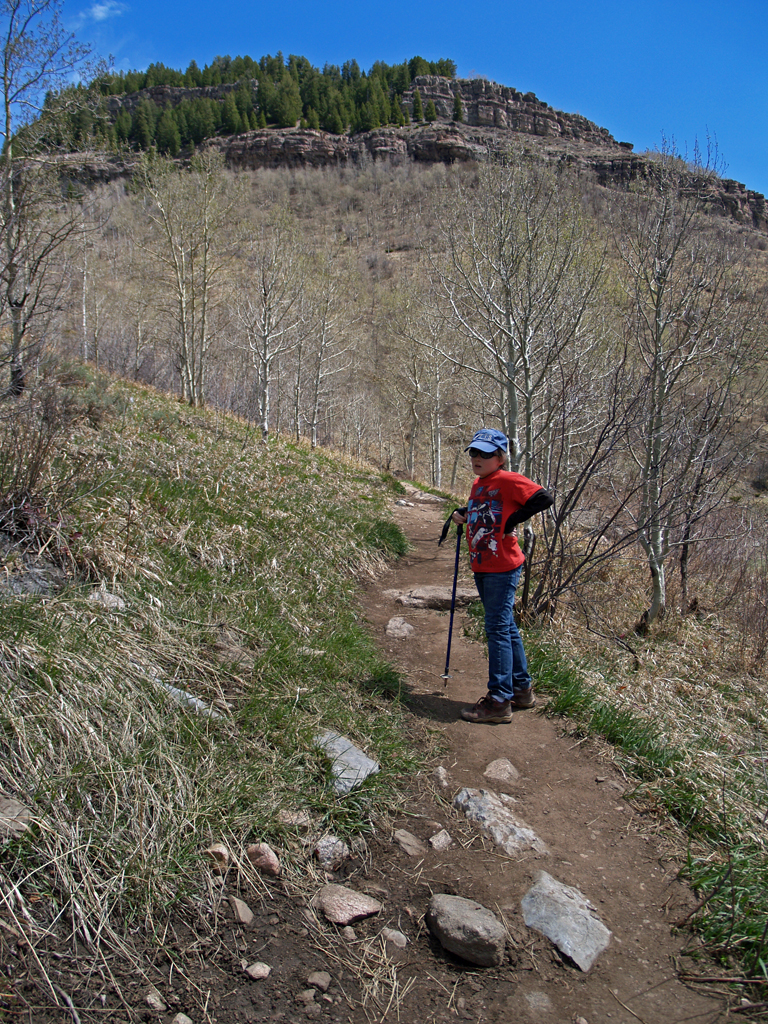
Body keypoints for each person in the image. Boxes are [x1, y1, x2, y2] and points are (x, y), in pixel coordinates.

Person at [451, 428, 553, 724]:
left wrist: (512, 521)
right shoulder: (479, 483)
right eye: (473, 452)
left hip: (502, 566)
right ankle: (521, 690)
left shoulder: (508, 479)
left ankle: (499, 701)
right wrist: (464, 512)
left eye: (485, 454)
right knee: (505, 626)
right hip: (484, 564)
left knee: (496, 629)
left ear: (500, 458)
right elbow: (487, 511)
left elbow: (543, 498)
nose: (477, 458)